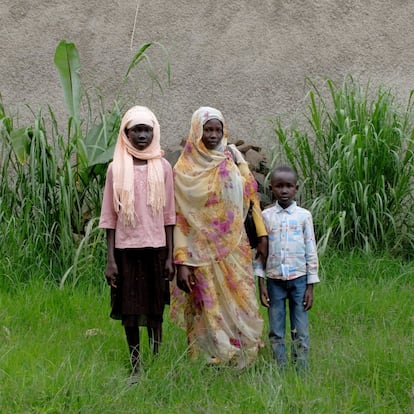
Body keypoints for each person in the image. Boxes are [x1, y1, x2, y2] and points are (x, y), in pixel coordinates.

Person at [170, 106, 267, 368]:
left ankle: (245, 351)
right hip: (199, 251)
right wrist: (182, 261)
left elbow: (250, 192)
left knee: (241, 297)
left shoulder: (230, 158)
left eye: (217, 129)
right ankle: (214, 355)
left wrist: (262, 233)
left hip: (234, 245)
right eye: (207, 129)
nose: (213, 135)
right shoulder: (183, 169)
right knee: (207, 304)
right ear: (196, 131)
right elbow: (179, 218)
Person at [99, 106, 175, 379]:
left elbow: (169, 214)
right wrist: (110, 260)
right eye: (136, 131)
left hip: (156, 248)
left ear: (154, 132)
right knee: (129, 309)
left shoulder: (163, 166)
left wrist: (169, 257)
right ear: (126, 133)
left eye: (147, 130)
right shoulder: (116, 168)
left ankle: (157, 359)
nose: (142, 136)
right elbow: (109, 216)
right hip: (126, 250)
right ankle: (135, 364)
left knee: (155, 307)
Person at [255, 165, 319, 371]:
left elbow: (311, 248)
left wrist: (311, 286)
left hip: (299, 280)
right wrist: (261, 283)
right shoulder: (266, 216)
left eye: (288, 186)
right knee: (276, 328)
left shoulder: (303, 216)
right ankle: (280, 369)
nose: (284, 191)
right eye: (279, 186)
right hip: (274, 281)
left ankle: (301, 370)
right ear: (271, 188)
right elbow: (260, 252)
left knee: (300, 329)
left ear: (296, 188)